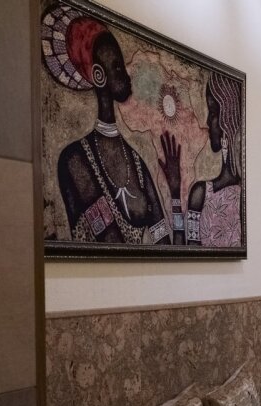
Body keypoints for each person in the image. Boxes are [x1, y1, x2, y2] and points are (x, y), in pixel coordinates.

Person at [43, 6, 179, 244]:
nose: (126, 76)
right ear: (98, 75)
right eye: (117, 66)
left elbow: (166, 245)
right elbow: (111, 242)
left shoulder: (137, 164)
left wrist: (175, 193)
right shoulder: (74, 159)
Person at [184, 74, 244, 247]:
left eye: (212, 112)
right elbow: (188, 253)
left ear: (227, 118)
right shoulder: (201, 194)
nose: (207, 121)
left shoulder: (201, 194)